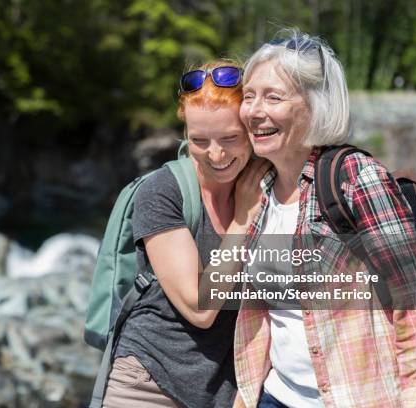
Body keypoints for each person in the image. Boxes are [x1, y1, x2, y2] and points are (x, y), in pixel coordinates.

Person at [233, 30, 416, 407]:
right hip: (273, 396)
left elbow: (414, 298)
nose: (253, 110)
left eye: (273, 97)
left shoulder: (353, 178)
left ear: (315, 104)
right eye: (248, 96)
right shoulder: (258, 188)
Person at [101, 61, 270, 408]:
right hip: (148, 383)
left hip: (230, 392)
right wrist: (242, 221)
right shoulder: (162, 192)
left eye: (230, 138)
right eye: (199, 140)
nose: (217, 154)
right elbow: (200, 307)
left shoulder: (272, 187)